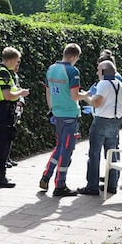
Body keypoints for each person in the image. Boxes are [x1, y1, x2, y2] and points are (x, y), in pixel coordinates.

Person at [78, 60, 122, 196]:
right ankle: (111, 185)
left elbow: (96, 103)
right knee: (112, 153)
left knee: (94, 154)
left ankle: (92, 186)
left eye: (98, 70)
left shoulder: (103, 83)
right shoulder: (118, 84)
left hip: (101, 121)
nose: (97, 72)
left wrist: (86, 97)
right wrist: (115, 112)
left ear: (104, 71)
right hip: (115, 122)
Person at [39, 43, 86, 197]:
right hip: (70, 115)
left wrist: (52, 110)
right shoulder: (72, 71)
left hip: (57, 114)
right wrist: (87, 94)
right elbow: (75, 96)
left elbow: (48, 92)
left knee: (59, 146)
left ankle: (46, 176)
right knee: (66, 150)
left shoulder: (52, 68)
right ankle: (60, 185)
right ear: (74, 56)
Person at [0, 47, 30, 188]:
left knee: (5, 142)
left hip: (4, 109)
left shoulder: (2, 71)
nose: (18, 63)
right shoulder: (3, 73)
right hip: (4, 109)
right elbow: (8, 95)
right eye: (17, 61)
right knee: (4, 144)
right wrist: (22, 93)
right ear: (12, 60)